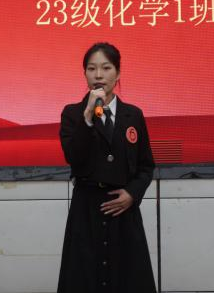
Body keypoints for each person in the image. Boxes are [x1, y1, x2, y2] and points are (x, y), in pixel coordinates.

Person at [57, 42, 157, 293]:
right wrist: (88, 117)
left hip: (123, 211)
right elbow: (73, 157)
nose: (98, 75)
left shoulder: (133, 115)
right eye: (91, 69)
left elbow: (146, 166)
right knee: (85, 278)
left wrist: (132, 194)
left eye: (106, 68)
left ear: (118, 73)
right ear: (85, 74)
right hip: (86, 209)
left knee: (127, 279)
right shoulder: (73, 114)